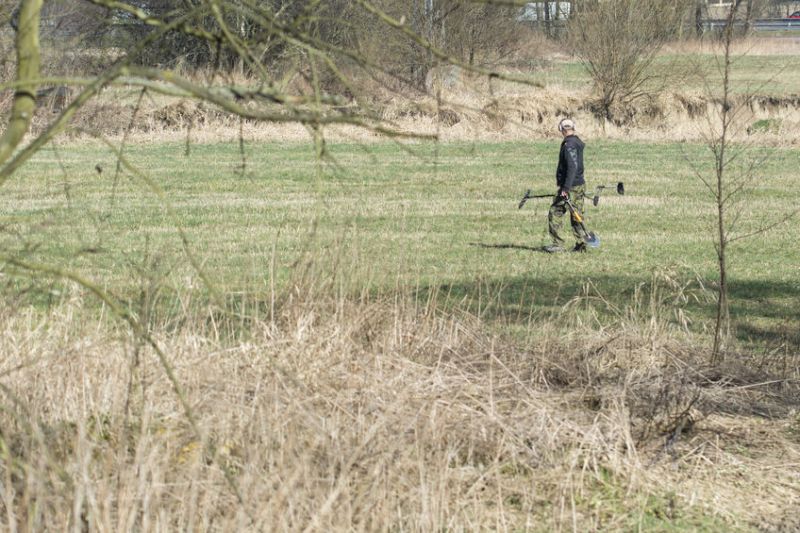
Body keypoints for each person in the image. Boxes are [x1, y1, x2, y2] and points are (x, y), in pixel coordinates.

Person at [544, 118, 587, 253]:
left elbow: (572, 166)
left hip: (571, 186)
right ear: (573, 128)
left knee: (555, 212)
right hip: (580, 184)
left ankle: (557, 244)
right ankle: (581, 244)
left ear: (562, 130)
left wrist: (566, 188)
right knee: (576, 214)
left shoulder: (569, 145)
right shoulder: (576, 142)